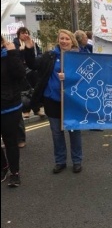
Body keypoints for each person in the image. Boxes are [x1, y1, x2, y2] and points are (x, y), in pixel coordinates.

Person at [26, 29, 83, 174]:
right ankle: (60, 161)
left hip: (72, 101)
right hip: (52, 99)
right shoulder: (50, 56)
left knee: (73, 131)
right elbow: (32, 64)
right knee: (57, 133)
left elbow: (86, 80)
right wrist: (28, 47)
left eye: (67, 39)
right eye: (61, 38)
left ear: (72, 41)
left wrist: (69, 77)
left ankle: (77, 161)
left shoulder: (79, 57)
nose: (64, 41)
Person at [1, 35, 26, 187]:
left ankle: (14, 173)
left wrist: (12, 53)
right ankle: (3, 166)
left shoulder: (8, 56)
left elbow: (20, 74)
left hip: (9, 106)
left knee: (10, 141)